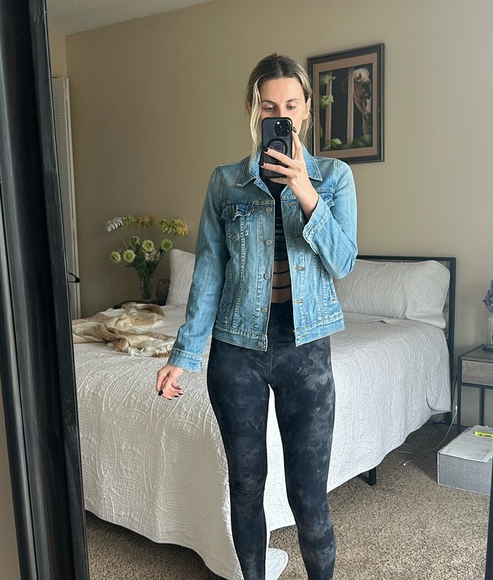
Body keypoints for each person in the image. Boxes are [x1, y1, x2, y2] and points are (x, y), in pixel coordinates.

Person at [156, 53, 357, 580]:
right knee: (245, 486)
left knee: (308, 495)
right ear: (252, 110)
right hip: (236, 352)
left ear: (306, 109)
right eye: (270, 106)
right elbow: (208, 272)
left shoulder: (334, 177)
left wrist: (305, 191)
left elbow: (342, 261)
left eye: (291, 105)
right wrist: (184, 354)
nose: (280, 114)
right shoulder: (226, 183)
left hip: (306, 350)